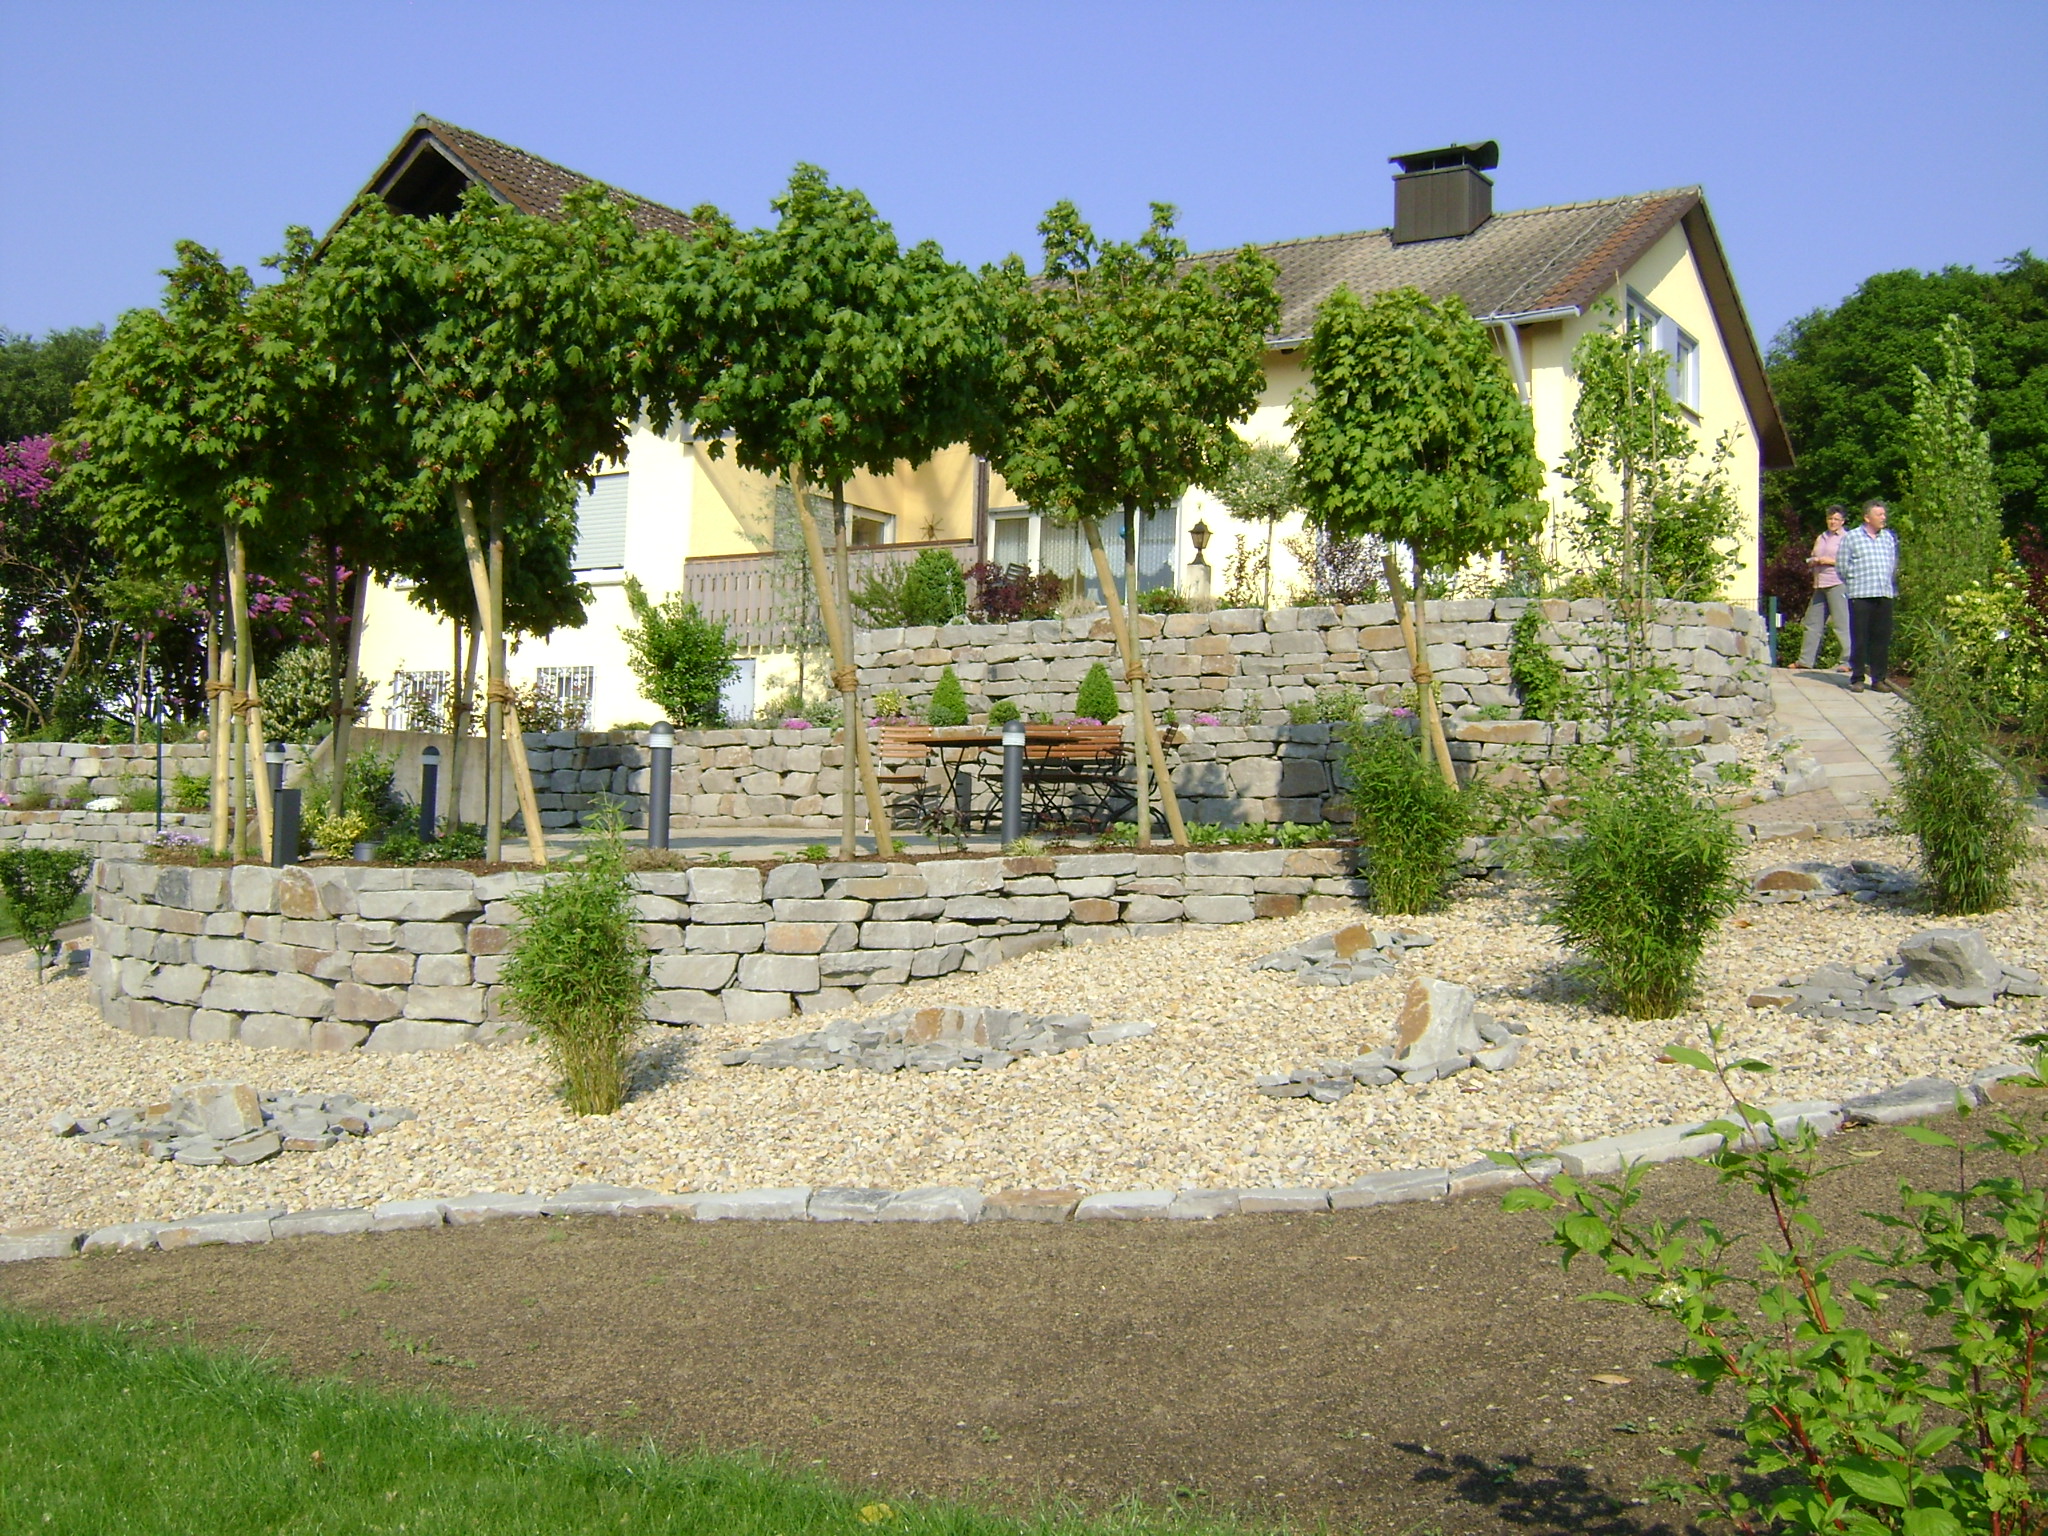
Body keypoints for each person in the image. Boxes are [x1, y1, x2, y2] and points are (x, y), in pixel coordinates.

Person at [1836, 499, 1899, 693]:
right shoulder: (1852, 538)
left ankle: (1879, 679)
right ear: (1867, 517)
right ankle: (1857, 678)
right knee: (1860, 638)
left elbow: (1892, 563)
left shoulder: (1888, 538)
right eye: (1879, 514)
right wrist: (1855, 582)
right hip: (1861, 594)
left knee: (1881, 638)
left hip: (1883, 593)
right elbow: (1841, 566)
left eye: (1884, 514)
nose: (1883, 517)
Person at [1796, 504, 1851, 670]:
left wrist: (1829, 561)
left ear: (1843, 521)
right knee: (1812, 622)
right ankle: (1805, 661)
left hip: (1837, 583)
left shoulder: (1847, 538)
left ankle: (1847, 661)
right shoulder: (1821, 537)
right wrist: (1813, 561)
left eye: (1836, 519)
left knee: (1841, 624)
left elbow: (1851, 561)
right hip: (1820, 584)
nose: (1833, 522)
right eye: (1830, 518)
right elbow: (1814, 555)